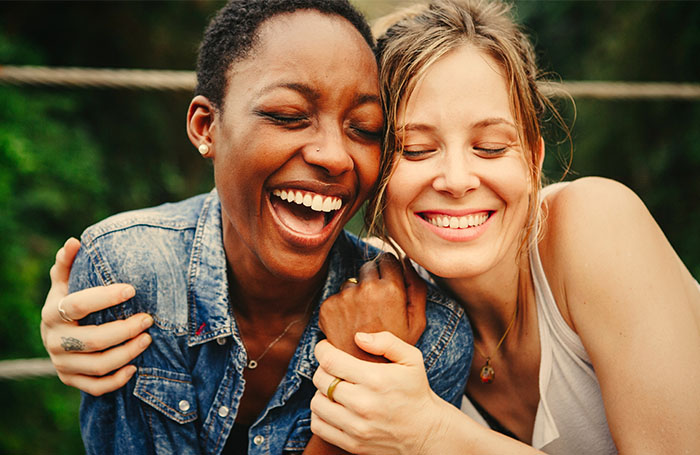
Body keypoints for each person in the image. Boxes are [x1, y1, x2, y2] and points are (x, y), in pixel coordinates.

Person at [39, 1, 473, 453]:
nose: (334, 155)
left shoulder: (427, 337)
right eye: (288, 116)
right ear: (206, 127)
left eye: (364, 128)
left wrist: (367, 372)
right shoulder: (130, 276)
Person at [307, 0, 700, 453]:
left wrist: (434, 434)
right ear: (375, 174)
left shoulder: (597, 222)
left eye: (490, 147)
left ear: (533, 161)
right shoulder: (385, 293)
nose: (456, 180)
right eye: (414, 150)